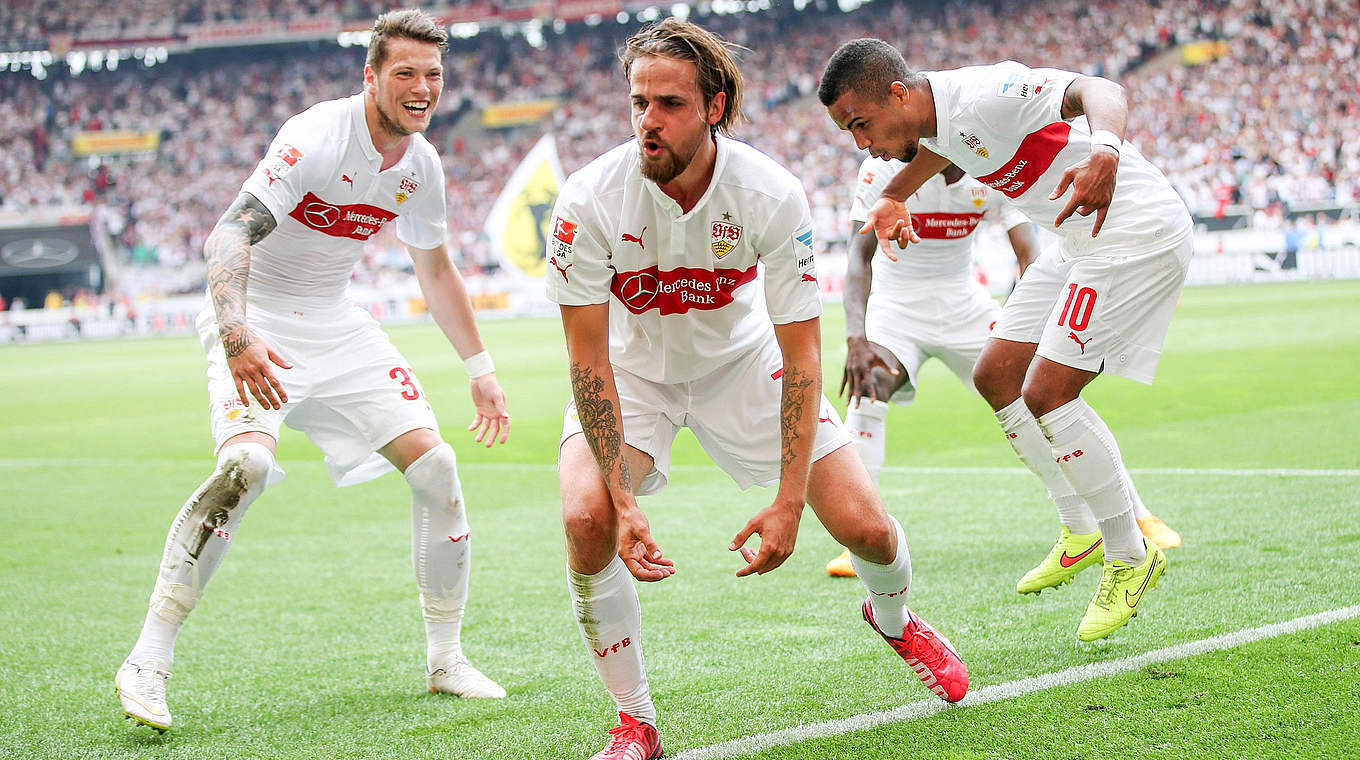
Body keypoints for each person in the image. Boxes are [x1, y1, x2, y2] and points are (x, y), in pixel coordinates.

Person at [546, 20, 969, 760]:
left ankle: (895, 619)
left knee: (867, 528)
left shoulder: (769, 192)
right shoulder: (586, 201)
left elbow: (802, 353)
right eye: (638, 102)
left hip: (744, 365)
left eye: (670, 103)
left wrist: (789, 499)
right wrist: (621, 497)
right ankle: (635, 720)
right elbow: (588, 363)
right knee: (586, 519)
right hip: (634, 373)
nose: (649, 120)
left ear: (715, 107)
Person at [114, 10, 511, 733]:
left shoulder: (422, 166)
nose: (422, 89)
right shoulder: (316, 136)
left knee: (438, 467)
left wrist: (479, 368)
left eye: (434, 75)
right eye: (405, 74)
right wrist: (236, 333)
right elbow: (229, 230)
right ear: (370, 75)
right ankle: (147, 659)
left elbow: (437, 269)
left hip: (336, 321)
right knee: (245, 469)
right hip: (257, 318)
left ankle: (446, 658)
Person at [819, 41, 1192, 643]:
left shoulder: (986, 94)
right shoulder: (937, 122)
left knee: (1048, 394)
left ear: (897, 93)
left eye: (860, 124)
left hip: (1133, 232)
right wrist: (893, 194)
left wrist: (1105, 154)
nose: (861, 143)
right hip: (1077, 240)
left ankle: (1129, 551)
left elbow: (1103, 91)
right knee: (998, 376)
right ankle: (1079, 530)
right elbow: (944, 154)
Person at [825, 157, 1180, 578]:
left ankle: (1136, 515)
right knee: (870, 387)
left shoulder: (985, 161)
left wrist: (1035, 329)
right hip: (896, 308)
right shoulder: (883, 167)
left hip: (965, 305)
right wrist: (856, 338)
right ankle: (861, 539)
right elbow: (857, 254)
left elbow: (1028, 254)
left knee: (1045, 396)